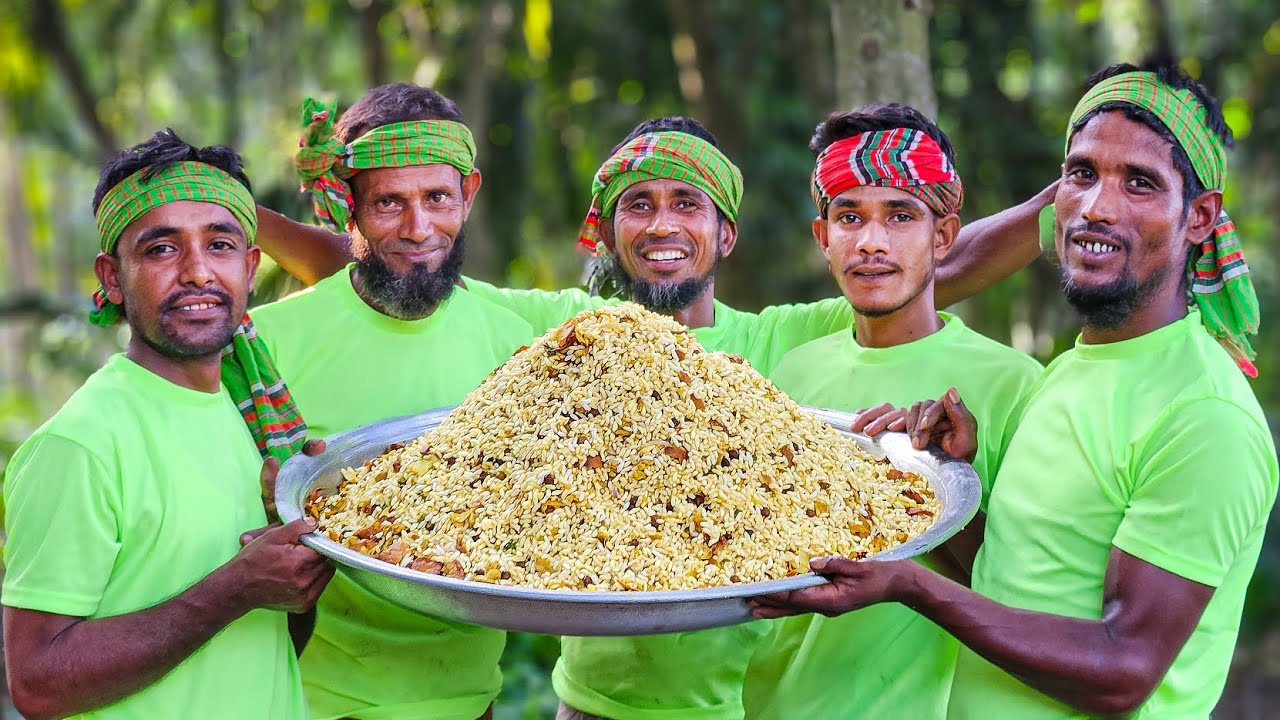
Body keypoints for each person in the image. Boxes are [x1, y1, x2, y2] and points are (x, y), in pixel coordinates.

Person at [257, 107, 1052, 720]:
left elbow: (929, 263)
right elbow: (401, 255)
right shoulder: (565, 337)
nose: (664, 225)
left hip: (731, 706)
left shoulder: (779, 345)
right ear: (603, 229)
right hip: (589, 702)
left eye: (688, 204)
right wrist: (229, 220)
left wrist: (1071, 203)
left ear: (725, 231)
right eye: (638, 204)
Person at [751, 62, 1276, 719]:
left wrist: (912, 586)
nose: (1097, 206)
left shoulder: (1204, 413)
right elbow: (1009, 589)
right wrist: (936, 486)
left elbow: (1123, 670)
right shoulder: (1076, 369)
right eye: (1081, 174)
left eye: (1139, 182)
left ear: (1199, 217)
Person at [2, 129, 332, 720]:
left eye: (221, 245)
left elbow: (269, 648)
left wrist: (295, 569)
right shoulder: (80, 444)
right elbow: (38, 684)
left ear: (251, 267)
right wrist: (231, 591)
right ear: (111, 277)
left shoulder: (250, 420)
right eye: (161, 250)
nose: (198, 272)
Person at [741, 103, 1043, 719]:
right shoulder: (790, 376)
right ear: (824, 238)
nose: (871, 241)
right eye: (849, 217)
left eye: (900, 215)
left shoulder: (1014, 385)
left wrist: (937, 482)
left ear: (944, 235)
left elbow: (1030, 601)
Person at [249, 84, 535, 720]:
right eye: (387, 204)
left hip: (474, 704)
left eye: (437, 197)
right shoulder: (268, 346)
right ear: (348, 206)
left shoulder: (514, 345)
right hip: (315, 704)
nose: (418, 229)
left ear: (470, 193)